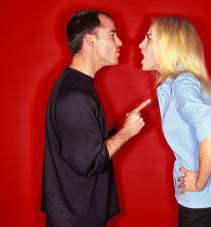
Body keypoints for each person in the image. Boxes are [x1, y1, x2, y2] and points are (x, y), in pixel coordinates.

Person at [41, 10, 151, 227]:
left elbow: (82, 147)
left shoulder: (78, 86)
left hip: (78, 216)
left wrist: (120, 129)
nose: (120, 42)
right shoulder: (75, 96)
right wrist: (127, 132)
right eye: (112, 35)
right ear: (90, 40)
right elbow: (88, 161)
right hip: (76, 219)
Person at [139, 16, 211, 227]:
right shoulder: (173, 83)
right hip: (202, 202)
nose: (140, 44)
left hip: (204, 204)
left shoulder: (183, 83)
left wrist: (199, 182)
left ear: (168, 46)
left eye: (149, 38)